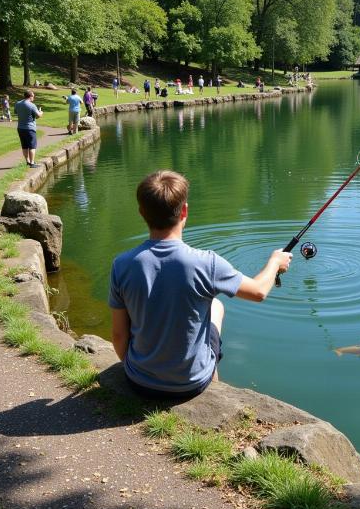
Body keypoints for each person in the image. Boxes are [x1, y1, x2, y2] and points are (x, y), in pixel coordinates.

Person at [109, 170, 293, 399]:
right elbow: (258, 292)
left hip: (139, 382)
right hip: (191, 385)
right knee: (216, 306)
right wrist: (275, 262)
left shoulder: (122, 264)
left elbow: (118, 336)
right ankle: (214, 385)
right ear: (184, 211)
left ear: (141, 213)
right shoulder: (207, 263)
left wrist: (134, 368)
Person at [15, 89, 43, 168]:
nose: (34, 98)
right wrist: (41, 112)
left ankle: (27, 161)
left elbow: (16, 112)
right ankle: (32, 163)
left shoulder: (18, 103)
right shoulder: (32, 105)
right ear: (30, 96)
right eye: (33, 96)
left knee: (24, 145)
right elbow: (38, 116)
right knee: (32, 146)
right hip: (30, 128)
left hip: (20, 128)